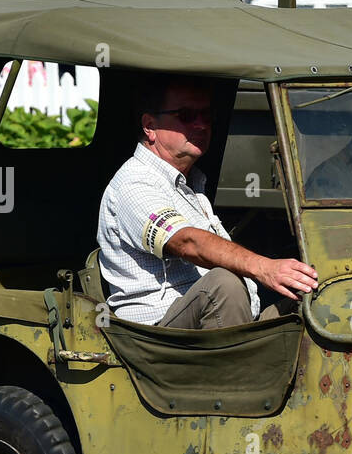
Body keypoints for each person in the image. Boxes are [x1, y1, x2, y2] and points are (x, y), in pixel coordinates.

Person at [99, 78, 318, 329]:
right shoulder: (134, 183)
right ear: (150, 126)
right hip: (161, 339)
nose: (201, 124)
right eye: (187, 115)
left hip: (221, 323)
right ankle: (241, 364)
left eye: (206, 114)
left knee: (314, 298)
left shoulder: (190, 183)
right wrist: (263, 267)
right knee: (222, 284)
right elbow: (186, 242)